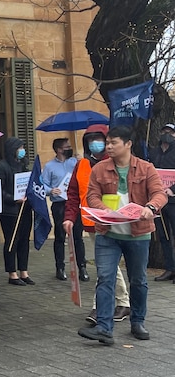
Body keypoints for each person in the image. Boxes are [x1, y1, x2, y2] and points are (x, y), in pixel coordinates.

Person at [78, 125, 166, 345]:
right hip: (108, 233)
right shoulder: (99, 169)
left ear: (128, 144)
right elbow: (92, 195)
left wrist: (151, 207)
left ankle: (137, 321)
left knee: (138, 280)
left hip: (138, 234)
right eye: (107, 142)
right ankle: (104, 328)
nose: (108, 146)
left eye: (113, 143)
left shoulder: (146, 168)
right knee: (105, 278)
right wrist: (102, 209)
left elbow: (159, 193)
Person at [64, 124, 130, 323]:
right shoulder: (81, 164)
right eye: (91, 140)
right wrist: (69, 217)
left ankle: (102, 307)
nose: (96, 143)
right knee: (107, 265)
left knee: (105, 265)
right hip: (92, 223)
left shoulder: (116, 163)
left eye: (100, 139)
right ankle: (122, 303)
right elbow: (74, 194)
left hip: (116, 220)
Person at [0, 137, 34, 286]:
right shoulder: (0, 167)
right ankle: (12, 273)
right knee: (11, 241)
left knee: (24, 240)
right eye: (20, 147)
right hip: (10, 210)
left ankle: (24, 271)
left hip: (25, 208)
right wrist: (13, 199)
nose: (22, 150)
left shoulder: (22, 165)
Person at [41, 138, 82, 280]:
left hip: (74, 203)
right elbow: (43, 184)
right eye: (67, 147)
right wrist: (51, 190)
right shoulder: (49, 166)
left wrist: (81, 162)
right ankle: (60, 267)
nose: (70, 148)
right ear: (59, 149)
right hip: (59, 204)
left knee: (78, 236)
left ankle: (81, 267)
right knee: (60, 236)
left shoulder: (74, 162)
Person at [148, 122, 175, 282]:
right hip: (159, 201)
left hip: (173, 200)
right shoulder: (153, 152)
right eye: (165, 131)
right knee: (164, 237)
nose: (167, 135)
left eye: (171, 133)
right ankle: (170, 268)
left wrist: (173, 189)